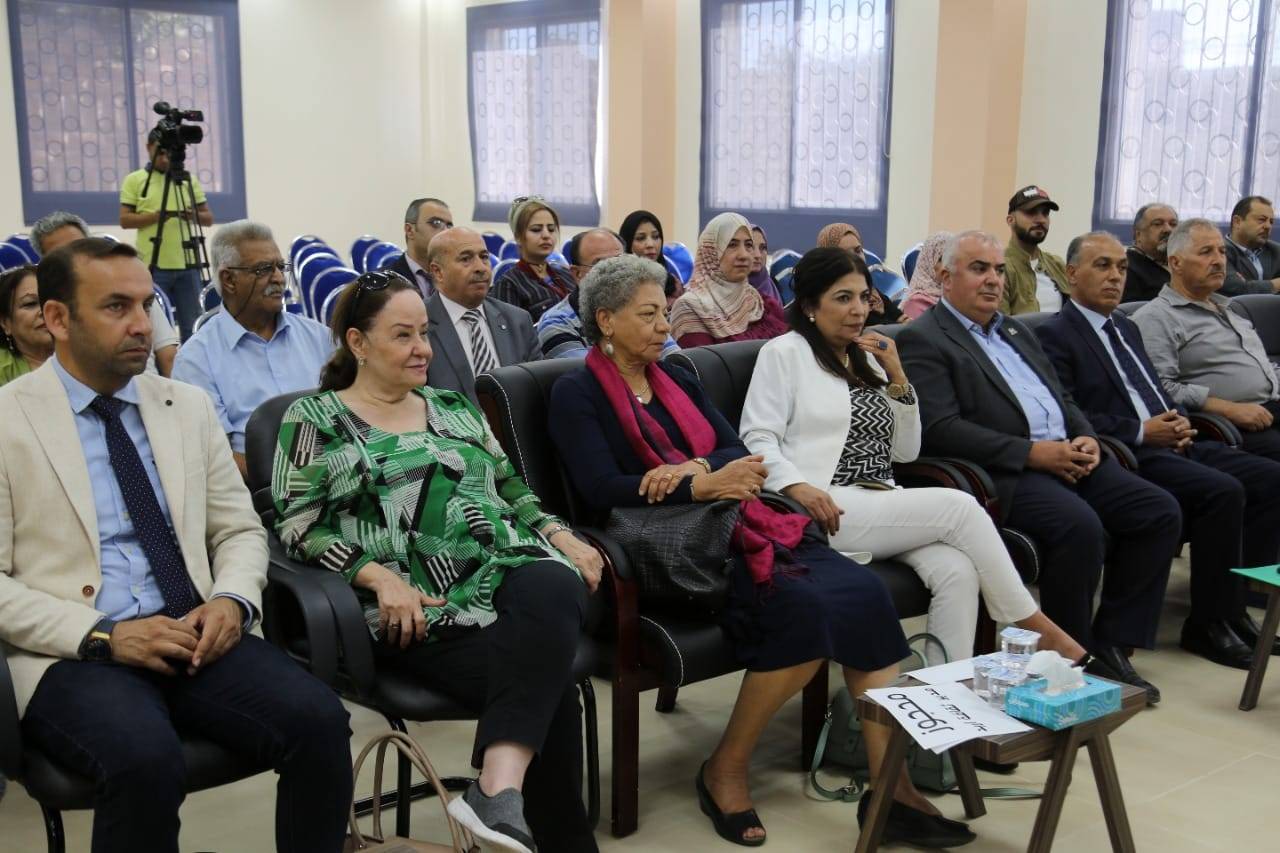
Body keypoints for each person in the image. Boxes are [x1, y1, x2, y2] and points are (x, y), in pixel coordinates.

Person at [550, 253, 975, 849]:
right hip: (663, 548)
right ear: (605, 320)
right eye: (648, 315)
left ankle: (892, 788)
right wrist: (698, 485)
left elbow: (735, 451)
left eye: (665, 312)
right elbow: (598, 490)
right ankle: (724, 769)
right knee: (807, 612)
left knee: (864, 595)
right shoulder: (577, 391)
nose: (665, 326)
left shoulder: (677, 379)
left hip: (738, 522)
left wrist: (697, 471)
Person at [1, 237, 352, 853]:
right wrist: (105, 635)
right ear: (57, 318)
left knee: (321, 722)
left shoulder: (184, 406)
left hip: (195, 629)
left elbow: (237, 530)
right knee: (144, 760)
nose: (143, 325)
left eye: (146, 305)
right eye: (116, 307)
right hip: (75, 650)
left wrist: (232, 602)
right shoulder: (8, 421)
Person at [272, 272, 601, 853]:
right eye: (403, 335)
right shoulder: (316, 418)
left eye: (424, 333)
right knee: (550, 688)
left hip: (502, 573)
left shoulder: (450, 405)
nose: (422, 348)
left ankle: (497, 786)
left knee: (557, 576)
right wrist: (377, 577)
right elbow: (298, 525)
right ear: (358, 342)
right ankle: (535, 821)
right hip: (418, 607)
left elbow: (509, 486)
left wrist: (559, 533)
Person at [741, 247, 1084, 665]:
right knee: (960, 507)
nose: (858, 310)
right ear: (811, 306)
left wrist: (898, 377)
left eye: (863, 297)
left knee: (957, 570)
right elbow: (757, 437)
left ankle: (945, 691)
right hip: (825, 505)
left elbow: (906, 451)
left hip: (880, 499)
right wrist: (797, 486)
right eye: (843, 298)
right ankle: (1035, 626)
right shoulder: (784, 353)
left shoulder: (866, 357)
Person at [897, 230, 1182, 704]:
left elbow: (1062, 397)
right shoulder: (923, 338)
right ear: (945, 276)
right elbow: (942, 430)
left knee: (1158, 510)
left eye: (998, 269)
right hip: (1007, 472)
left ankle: (1111, 643)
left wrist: (1086, 434)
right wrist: (1031, 453)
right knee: (1080, 527)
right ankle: (1067, 661)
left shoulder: (1015, 330)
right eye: (979, 269)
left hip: (1067, 453)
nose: (993, 280)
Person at [1037, 231, 1280, 668]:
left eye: (1121, 267)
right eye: (1102, 266)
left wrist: (1178, 418)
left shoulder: (1125, 327)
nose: (1116, 276)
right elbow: (1068, 413)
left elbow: (1153, 389)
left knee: (1268, 477)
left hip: (1173, 439)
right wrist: (1141, 431)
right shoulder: (1054, 334)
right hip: (1129, 450)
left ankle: (1232, 610)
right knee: (1221, 491)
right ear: (1072, 274)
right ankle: (1204, 624)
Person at [172, 221, 333, 479]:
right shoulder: (196, 360)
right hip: (259, 491)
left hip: (340, 478)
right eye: (264, 269)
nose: (279, 278)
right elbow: (216, 457)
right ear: (229, 280)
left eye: (280, 267)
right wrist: (300, 477)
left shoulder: (319, 337)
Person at [1131, 219, 1280, 463]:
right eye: (1206, 252)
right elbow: (1160, 388)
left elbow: (1264, 367)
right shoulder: (1156, 317)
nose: (1219, 260)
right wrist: (1229, 409)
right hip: (1231, 424)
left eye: (1221, 251)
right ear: (1176, 263)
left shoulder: (1229, 309)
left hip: (1270, 408)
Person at [32, 210, 178, 376]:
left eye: (80, 247)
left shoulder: (135, 293)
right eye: (115, 306)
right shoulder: (39, 307)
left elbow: (168, 356)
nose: (143, 327)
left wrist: (168, 391)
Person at [426, 226, 540, 404]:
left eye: (484, 257)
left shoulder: (518, 321)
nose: (481, 267)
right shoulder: (418, 324)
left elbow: (537, 391)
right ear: (438, 272)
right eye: (466, 259)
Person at [119, 126, 215, 339]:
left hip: (188, 264)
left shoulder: (187, 180)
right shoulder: (135, 180)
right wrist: (156, 216)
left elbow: (208, 218)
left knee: (193, 326)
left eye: (169, 153)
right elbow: (125, 220)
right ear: (148, 148)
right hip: (153, 265)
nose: (165, 159)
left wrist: (191, 215)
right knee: (153, 325)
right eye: (160, 152)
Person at [540, 228, 682, 360]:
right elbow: (588, 373)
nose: (615, 274)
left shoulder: (641, 310)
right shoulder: (557, 322)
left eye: (620, 263)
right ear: (577, 274)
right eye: (601, 265)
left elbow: (676, 362)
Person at [669, 213, 790, 348]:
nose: (744, 255)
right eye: (732, 245)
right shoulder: (691, 307)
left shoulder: (760, 303)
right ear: (711, 252)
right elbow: (700, 360)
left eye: (748, 245)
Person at [492, 196, 577, 322]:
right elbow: (510, 331)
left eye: (551, 229)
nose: (546, 235)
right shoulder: (509, 284)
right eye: (536, 230)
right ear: (518, 237)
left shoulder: (566, 274)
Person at [1001, 185, 1070, 315]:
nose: (1041, 220)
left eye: (1045, 213)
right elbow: (999, 324)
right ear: (1011, 220)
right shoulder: (999, 267)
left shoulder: (1056, 264)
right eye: (1031, 212)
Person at [816, 222, 901, 325]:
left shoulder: (870, 290)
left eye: (858, 251)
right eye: (845, 254)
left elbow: (900, 318)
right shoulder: (826, 295)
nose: (856, 258)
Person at [386, 196, 453, 299]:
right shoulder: (386, 282)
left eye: (449, 226)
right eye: (436, 223)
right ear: (409, 230)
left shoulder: (456, 279)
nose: (446, 232)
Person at [0, 265, 53, 385]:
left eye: (50, 301)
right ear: (5, 323)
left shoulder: (89, 349)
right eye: (30, 304)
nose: (45, 310)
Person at [618, 209, 682, 302]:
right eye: (640, 238)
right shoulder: (617, 285)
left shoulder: (673, 285)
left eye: (655, 237)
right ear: (627, 242)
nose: (650, 244)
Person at [1224, 195, 1280, 294]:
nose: (1268, 226)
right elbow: (1238, 289)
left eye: (1271, 222)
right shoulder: (1220, 251)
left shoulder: (1275, 250)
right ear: (1237, 222)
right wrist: (1275, 285)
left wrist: (1250, 285)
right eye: (1261, 220)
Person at [1123, 203, 1178, 303]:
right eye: (1157, 224)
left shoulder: (1182, 264)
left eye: (1173, 224)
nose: (1168, 229)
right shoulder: (1126, 268)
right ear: (1138, 235)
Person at [899, 231, 952, 320]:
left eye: (952, 260)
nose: (949, 266)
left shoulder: (957, 299)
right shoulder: (915, 304)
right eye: (942, 259)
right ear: (928, 264)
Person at [747, 225, 783, 302]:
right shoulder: (727, 290)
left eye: (763, 248)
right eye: (750, 247)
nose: (758, 255)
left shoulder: (774, 289)